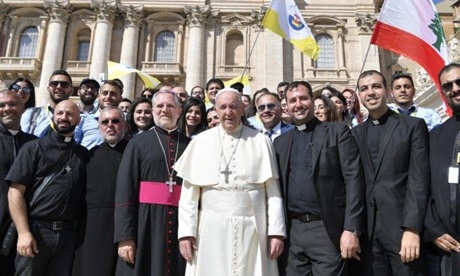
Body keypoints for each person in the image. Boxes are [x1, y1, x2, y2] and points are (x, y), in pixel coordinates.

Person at [175, 88, 285, 275]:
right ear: (215, 110)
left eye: (233, 106)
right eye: (223, 107)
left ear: (243, 109)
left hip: (254, 228)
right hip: (210, 229)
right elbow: (188, 197)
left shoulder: (261, 141)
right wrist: (186, 233)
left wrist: (276, 233)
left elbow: (273, 194)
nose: (228, 112)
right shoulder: (200, 142)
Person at [274, 81, 365, 276]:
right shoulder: (280, 143)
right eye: (292, 101)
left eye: (303, 98)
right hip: (293, 233)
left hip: (327, 229)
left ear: (313, 101)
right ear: (287, 106)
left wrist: (351, 229)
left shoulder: (337, 132)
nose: (298, 104)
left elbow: (354, 180)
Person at [352, 70, 429, 275]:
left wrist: (412, 229)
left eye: (376, 86)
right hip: (368, 234)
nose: (371, 92)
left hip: (402, 231)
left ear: (387, 91)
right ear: (359, 95)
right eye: (364, 88)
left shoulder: (412, 126)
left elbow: (419, 179)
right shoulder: (355, 133)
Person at [6, 100, 88, 276]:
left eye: (69, 114)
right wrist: (23, 233)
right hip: (37, 232)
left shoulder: (83, 154)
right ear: (53, 116)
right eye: (59, 113)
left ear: (79, 120)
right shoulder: (33, 148)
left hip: (68, 237)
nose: (64, 117)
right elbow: (15, 192)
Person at [114, 90, 190, 276]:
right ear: (153, 110)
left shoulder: (190, 145)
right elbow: (125, 190)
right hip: (145, 223)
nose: (165, 110)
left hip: (182, 223)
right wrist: (125, 236)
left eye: (170, 106)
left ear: (180, 111)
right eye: (160, 106)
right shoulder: (137, 143)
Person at [72, 107, 128, 276]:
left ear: (124, 125)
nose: (110, 125)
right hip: (93, 229)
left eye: (116, 121)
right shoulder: (88, 156)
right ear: (99, 127)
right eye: (105, 122)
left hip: (127, 227)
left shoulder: (135, 152)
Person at [425, 63, 460, 275]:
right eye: (448, 86)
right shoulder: (435, 136)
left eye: (459, 82)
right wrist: (434, 230)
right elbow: (423, 187)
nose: (455, 89)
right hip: (451, 246)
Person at [0, 90, 36, 276]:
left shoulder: (34, 144)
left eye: (12, 104)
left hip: (22, 228)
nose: (7, 109)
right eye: (2, 105)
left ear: (22, 107)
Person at [20, 69, 102, 150]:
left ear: (71, 90)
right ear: (48, 89)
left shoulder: (85, 119)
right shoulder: (31, 114)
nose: (59, 87)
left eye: (64, 84)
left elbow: (88, 148)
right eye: (54, 84)